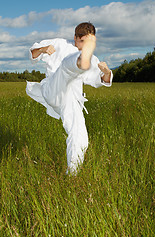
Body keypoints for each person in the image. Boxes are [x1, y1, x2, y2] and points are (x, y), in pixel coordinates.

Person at [26, 22, 113, 175]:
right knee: (65, 68)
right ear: (75, 38)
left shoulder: (94, 60)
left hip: (71, 100)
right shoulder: (59, 43)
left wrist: (106, 73)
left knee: (80, 138)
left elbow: (100, 82)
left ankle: (72, 175)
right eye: (83, 41)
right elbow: (32, 54)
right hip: (53, 89)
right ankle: (78, 61)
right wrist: (43, 49)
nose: (85, 44)